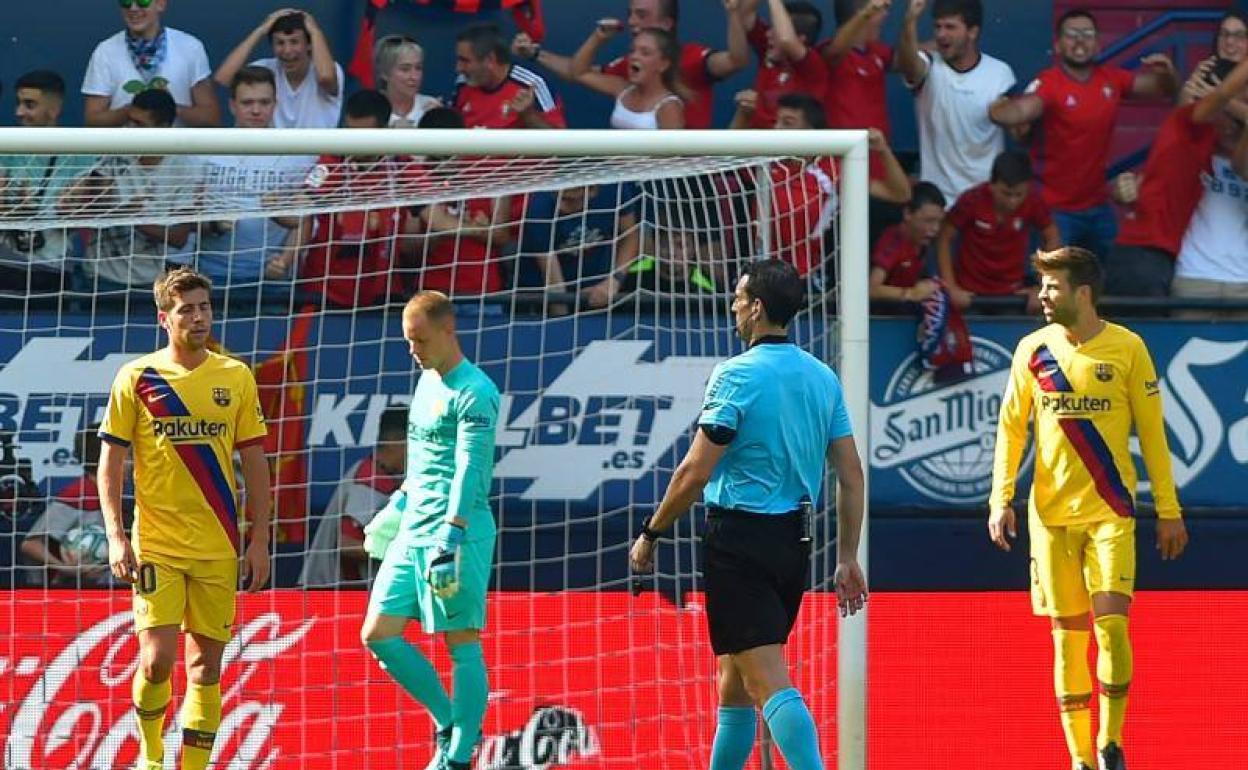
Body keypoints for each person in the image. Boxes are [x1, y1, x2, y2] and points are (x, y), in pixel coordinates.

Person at [630, 259, 867, 770]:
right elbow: (851, 476)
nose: (733, 306)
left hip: (740, 541)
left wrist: (652, 532)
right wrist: (847, 556)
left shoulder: (736, 375)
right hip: (793, 543)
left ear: (757, 308)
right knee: (734, 684)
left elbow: (695, 470)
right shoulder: (821, 377)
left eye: (738, 298)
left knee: (765, 679)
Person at [989, 246, 1188, 770]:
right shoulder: (1032, 350)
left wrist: (1168, 510)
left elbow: (1152, 433)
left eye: (1052, 287)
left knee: (1113, 628)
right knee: (1066, 644)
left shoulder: (1128, 348)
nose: (1042, 297)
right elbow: (1011, 429)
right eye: (1042, 286)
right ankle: (1078, 757)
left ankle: (1111, 743)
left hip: (1111, 512)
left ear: (1083, 292)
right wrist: (1000, 498)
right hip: (1050, 519)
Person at [99, 267, 271, 770]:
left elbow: (255, 462)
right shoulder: (137, 377)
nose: (198, 318)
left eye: (203, 307)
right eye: (186, 310)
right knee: (156, 663)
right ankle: (152, 756)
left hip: (218, 544)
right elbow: (110, 463)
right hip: (157, 543)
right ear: (164, 319)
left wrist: (258, 540)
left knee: (206, 667)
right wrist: (114, 536)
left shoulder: (234, 376)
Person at [359, 291, 501, 770]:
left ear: (448, 330)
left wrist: (453, 534)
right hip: (413, 530)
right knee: (378, 634)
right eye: (407, 341)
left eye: (419, 339)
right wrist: (395, 506)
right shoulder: (425, 382)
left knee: (461, 641)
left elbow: (468, 468)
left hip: (454, 536)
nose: (413, 350)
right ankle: (449, 721)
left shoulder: (475, 392)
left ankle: (460, 755)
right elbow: (422, 464)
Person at [988, 10, 1177, 262]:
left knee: (1113, 282)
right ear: (1058, 44)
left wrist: (1168, 73)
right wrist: (1000, 111)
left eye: (1087, 34)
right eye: (1072, 35)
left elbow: (1163, 90)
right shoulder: (1049, 82)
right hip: (1053, 209)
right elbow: (1024, 108)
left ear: (1098, 43)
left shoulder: (1112, 79)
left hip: (1098, 206)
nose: (1079, 40)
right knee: (1055, 287)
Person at [1107, 55, 1248, 298]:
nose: (1232, 124)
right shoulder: (1187, 129)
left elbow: (1240, 167)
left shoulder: (1212, 145)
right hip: (1148, 257)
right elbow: (1221, 95)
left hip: (1175, 262)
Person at [171, 67, 311, 302]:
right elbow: (182, 216)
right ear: (232, 105)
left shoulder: (296, 153)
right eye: (247, 103)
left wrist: (286, 260)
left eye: (264, 102)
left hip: (271, 278)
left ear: (275, 104)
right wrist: (212, 224)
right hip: (211, 275)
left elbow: (306, 218)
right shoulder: (205, 150)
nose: (256, 110)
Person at [515, 0, 749, 129]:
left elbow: (737, 60)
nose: (631, 22)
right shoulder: (627, 69)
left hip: (681, 186)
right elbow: (576, 71)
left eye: (641, 15)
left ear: (666, 23)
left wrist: (734, 14)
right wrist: (535, 53)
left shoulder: (693, 58)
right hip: (630, 185)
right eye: (630, 14)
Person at [60, 89, 200, 293]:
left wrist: (134, 217)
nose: (130, 129)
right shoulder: (112, 156)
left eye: (140, 125)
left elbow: (179, 237)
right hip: (97, 278)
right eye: (129, 121)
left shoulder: (183, 169)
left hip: (147, 283)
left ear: (164, 128)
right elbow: (94, 210)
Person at [897, 0, 1016, 204]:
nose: (941, 34)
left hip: (984, 202)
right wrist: (910, 22)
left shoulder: (1000, 73)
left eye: (950, 27)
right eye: (937, 27)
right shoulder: (929, 65)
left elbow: (1019, 130)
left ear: (972, 32)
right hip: (937, 203)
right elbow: (908, 65)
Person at [0, 70, 94, 295]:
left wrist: (55, 209)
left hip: (53, 268)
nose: (19, 112)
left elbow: (77, 215)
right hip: (5, 262)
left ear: (54, 110)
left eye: (29, 104)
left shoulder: (81, 153)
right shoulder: (7, 145)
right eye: (19, 103)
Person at [937, 150, 1060, 310]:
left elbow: (1052, 236)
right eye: (1006, 194)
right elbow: (944, 238)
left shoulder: (1033, 202)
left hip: (1012, 293)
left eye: (1018, 194)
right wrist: (950, 286)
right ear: (992, 185)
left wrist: (1044, 285)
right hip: (969, 294)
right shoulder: (972, 200)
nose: (1012, 201)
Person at [300, 407, 406, 588]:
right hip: (328, 594)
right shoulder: (371, 479)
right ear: (394, 441)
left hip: (329, 590)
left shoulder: (374, 471)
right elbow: (346, 545)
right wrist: (400, 552)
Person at [82, 0, 219, 127]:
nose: (133, 8)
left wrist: (168, 108)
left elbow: (210, 117)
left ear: (161, 4)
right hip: (124, 151)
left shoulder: (190, 47)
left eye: (142, 1)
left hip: (177, 151)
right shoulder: (105, 51)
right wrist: (131, 111)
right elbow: (92, 120)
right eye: (126, 1)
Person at [516, 183, 641, 312]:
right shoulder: (539, 208)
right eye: (558, 197)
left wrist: (614, 281)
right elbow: (554, 285)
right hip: (540, 294)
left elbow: (629, 235)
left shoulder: (614, 188)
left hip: (598, 288)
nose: (560, 205)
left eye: (568, 200)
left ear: (592, 192)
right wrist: (563, 324)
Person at [213, 8, 343, 129]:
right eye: (280, 43)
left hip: (317, 151)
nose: (287, 50)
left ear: (309, 45)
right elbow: (224, 78)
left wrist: (315, 31)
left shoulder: (327, 69)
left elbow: (326, 78)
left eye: (294, 42)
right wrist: (261, 30)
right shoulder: (265, 68)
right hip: (272, 151)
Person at [20, 427, 110, 588]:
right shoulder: (77, 495)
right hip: (66, 590)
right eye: (128, 457)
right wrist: (67, 569)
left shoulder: (118, 496)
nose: (132, 464)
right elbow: (30, 544)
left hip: (105, 586)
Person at [731, 0, 828, 129]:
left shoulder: (813, 66)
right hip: (758, 145)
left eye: (775, 30)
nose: (768, 34)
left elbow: (786, 40)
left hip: (793, 146)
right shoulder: (769, 50)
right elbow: (744, 16)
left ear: (800, 39)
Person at [570, 25, 686, 129]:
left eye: (645, 53)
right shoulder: (622, 88)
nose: (634, 56)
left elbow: (673, 152)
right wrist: (598, 38)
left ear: (663, 64)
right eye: (632, 51)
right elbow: (579, 73)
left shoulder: (669, 106)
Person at [454, 23, 565, 129]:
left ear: (490, 60)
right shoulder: (463, 83)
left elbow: (561, 144)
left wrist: (529, 116)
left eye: (465, 61)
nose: (458, 68)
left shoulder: (532, 84)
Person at [869, 181, 946, 304]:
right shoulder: (892, 242)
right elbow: (871, 289)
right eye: (929, 221)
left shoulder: (929, 243)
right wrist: (911, 293)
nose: (935, 228)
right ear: (908, 214)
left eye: (939, 222)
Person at [374, 35, 442, 127]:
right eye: (405, 69)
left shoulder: (431, 108)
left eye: (418, 68)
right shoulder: (371, 111)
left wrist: (438, 121)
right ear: (384, 73)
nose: (414, 77)